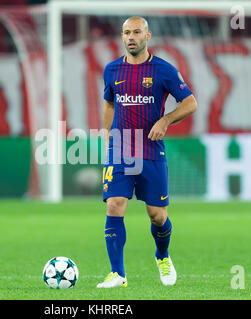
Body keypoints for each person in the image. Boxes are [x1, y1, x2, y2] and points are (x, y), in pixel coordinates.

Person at [97, 16, 198, 288]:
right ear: (122, 37)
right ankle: (117, 273)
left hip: (151, 152)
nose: (131, 37)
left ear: (148, 35)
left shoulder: (163, 70)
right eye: (126, 32)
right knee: (115, 204)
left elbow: (190, 103)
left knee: (158, 216)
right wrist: (109, 137)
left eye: (137, 32)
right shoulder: (112, 70)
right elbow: (108, 104)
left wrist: (165, 120)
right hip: (120, 151)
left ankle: (162, 255)